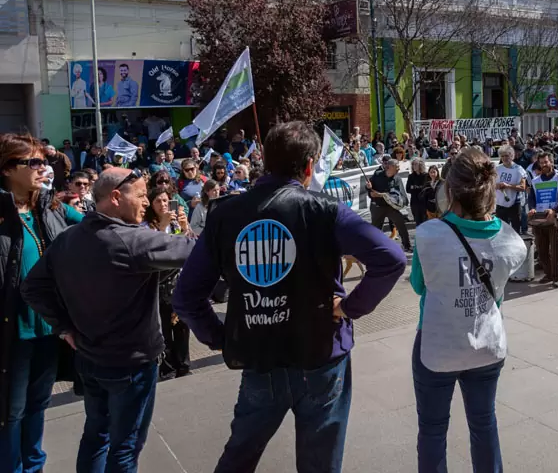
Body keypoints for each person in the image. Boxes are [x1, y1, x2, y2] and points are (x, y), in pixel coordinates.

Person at [172, 121, 406, 473]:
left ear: (266, 160)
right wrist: (349, 308)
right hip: (321, 354)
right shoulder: (325, 211)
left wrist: (219, 337)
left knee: (238, 457)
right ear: (309, 165)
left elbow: (186, 295)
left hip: (259, 353)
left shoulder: (226, 214)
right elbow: (391, 258)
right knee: (319, 463)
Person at [21, 168, 196, 473]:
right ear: (116, 197)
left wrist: (64, 326)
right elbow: (196, 251)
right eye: (141, 195)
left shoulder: (68, 239)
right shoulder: (131, 240)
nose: (147, 201)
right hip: (131, 364)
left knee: (96, 436)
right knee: (124, 448)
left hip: (90, 360)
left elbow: (32, 287)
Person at [410, 147, 527, 471]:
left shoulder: (428, 234)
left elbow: (420, 286)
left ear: (450, 189)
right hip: (487, 345)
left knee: (433, 431)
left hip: (437, 346)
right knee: (484, 424)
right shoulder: (511, 240)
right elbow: (499, 293)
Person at [0, 134, 84, 473]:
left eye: (43, 161)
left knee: (38, 404)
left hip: (50, 327)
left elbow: (96, 227)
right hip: (12, 331)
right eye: (32, 162)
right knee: (10, 411)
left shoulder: (52, 205)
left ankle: (33, 466)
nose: (42, 168)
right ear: (7, 169)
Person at [142, 186, 193, 380]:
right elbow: (155, 251)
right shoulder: (147, 226)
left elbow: (187, 246)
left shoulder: (175, 223)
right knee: (163, 327)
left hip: (179, 281)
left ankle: (184, 364)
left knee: (182, 324)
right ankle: (167, 366)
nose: (163, 205)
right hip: (159, 284)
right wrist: (163, 227)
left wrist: (185, 226)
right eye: (158, 201)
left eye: (166, 201)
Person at [528, 151, 558, 288]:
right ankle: (548, 273)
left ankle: (556, 278)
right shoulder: (535, 181)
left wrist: (554, 210)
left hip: (554, 218)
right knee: (541, 250)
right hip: (538, 218)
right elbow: (531, 198)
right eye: (541, 162)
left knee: (555, 249)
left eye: (546, 162)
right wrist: (532, 208)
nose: (544, 165)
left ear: (551, 162)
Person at [367, 159, 412, 252]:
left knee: (401, 223)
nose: (399, 168)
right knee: (376, 229)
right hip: (378, 207)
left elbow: (401, 194)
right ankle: (374, 248)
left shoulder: (397, 179)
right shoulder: (378, 175)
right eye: (397, 166)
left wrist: (400, 202)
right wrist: (369, 189)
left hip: (391, 207)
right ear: (390, 167)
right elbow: (369, 187)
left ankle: (407, 245)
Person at [495, 145, 527, 234]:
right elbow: (490, 185)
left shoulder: (519, 169)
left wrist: (508, 186)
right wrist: (497, 186)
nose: (505, 158)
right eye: (502, 156)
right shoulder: (497, 169)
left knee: (515, 229)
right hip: (500, 204)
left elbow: (522, 187)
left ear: (512, 156)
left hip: (514, 204)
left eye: (507, 155)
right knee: (501, 230)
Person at [406, 157, 430, 226]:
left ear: (420, 165)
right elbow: (408, 189)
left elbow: (427, 189)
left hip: (425, 202)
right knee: (418, 222)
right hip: (415, 203)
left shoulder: (426, 176)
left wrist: (415, 187)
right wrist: (419, 188)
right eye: (413, 164)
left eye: (416, 164)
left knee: (426, 222)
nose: (414, 166)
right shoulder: (411, 176)